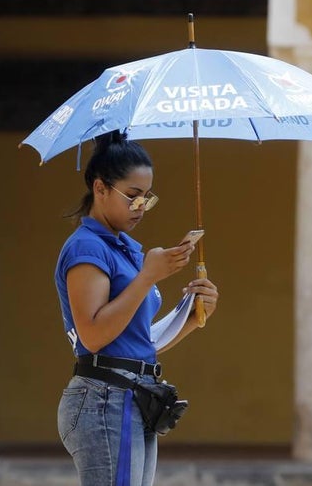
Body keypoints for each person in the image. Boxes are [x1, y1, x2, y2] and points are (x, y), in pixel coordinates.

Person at [55, 131, 219, 486]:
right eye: (131, 196)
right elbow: (95, 336)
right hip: (103, 398)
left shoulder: (124, 247)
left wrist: (191, 316)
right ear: (100, 189)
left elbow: (136, 343)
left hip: (134, 396)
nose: (140, 207)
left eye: (147, 197)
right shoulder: (87, 248)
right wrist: (147, 277)